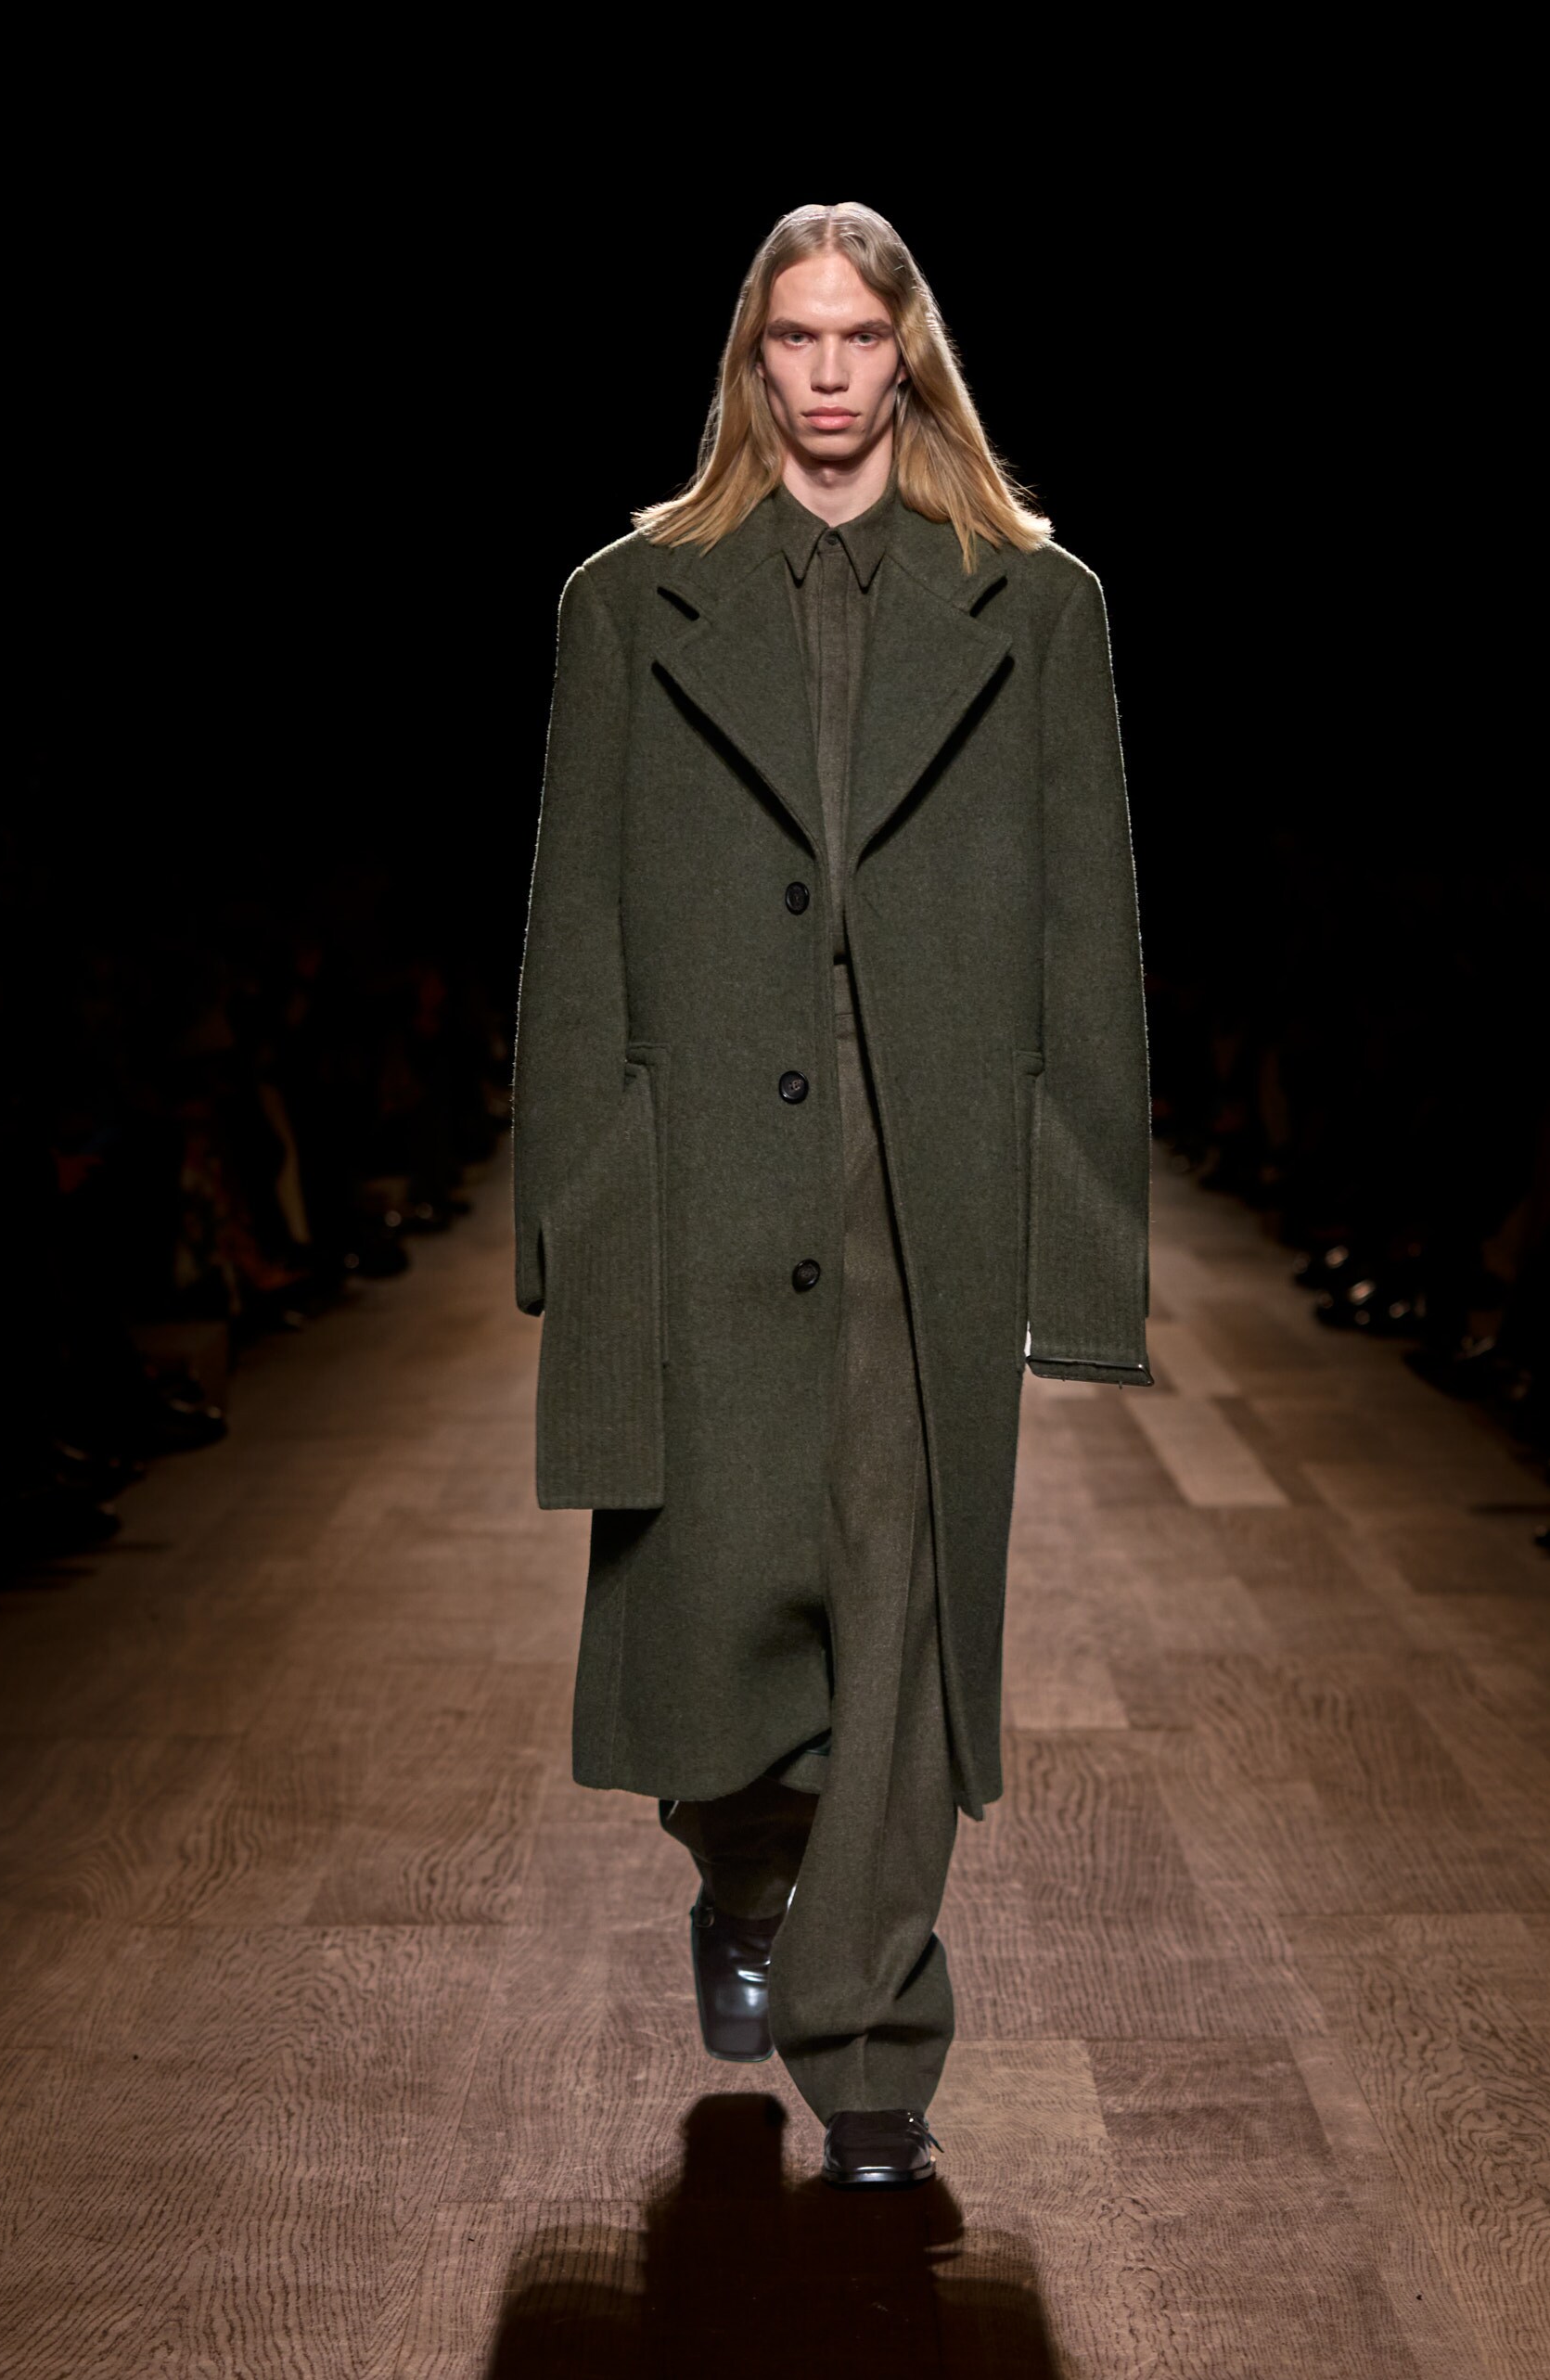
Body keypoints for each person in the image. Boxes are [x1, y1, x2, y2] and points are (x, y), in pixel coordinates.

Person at [513, 201, 1150, 2188]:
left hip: (923, 1176)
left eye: (858, 337)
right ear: (751, 362)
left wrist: (1082, 1243)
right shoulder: (629, 603)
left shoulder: (1037, 607)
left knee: (901, 1601)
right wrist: (576, 1216)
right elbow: (575, 923)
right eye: (792, 338)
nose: (826, 373)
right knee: (716, 1596)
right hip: (704, 1167)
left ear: (909, 356)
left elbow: (1087, 932)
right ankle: (745, 1868)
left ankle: (872, 2039)